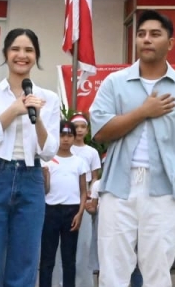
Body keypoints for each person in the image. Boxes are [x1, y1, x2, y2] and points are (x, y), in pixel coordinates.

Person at [90, 9, 175, 287]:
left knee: (158, 269)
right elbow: (99, 131)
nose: (146, 39)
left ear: (170, 43)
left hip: (164, 190)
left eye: (155, 34)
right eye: (141, 34)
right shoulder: (114, 83)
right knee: (113, 268)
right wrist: (143, 111)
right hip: (118, 186)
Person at [0, 28, 61, 286]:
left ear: (37, 56)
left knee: (25, 260)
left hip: (31, 178)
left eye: (29, 50)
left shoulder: (49, 98)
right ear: (6, 54)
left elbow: (49, 151)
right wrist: (12, 111)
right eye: (16, 49)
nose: (22, 55)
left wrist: (37, 117)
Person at [41, 120, 90, 287]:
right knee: (47, 258)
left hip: (72, 212)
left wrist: (80, 213)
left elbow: (84, 190)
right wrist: (45, 176)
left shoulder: (79, 162)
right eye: (62, 135)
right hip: (51, 212)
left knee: (69, 259)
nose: (66, 139)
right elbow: (45, 190)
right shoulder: (48, 161)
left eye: (69, 135)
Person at [66, 113, 100, 287]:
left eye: (82, 127)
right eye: (76, 127)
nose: (79, 130)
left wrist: (89, 193)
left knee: (84, 243)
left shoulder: (91, 152)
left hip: (83, 201)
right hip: (64, 200)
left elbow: (94, 177)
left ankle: (83, 283)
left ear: (87, 130)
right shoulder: (64, 149)